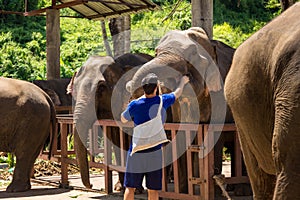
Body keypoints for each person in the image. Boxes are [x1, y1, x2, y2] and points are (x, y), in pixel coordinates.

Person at [121, 73, 189, 200]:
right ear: (157, 87)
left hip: (137, 151)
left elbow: (123, 119)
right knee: (153, 189)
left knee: (130, 187)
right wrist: (183, 82)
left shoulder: (135, 104)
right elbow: (177, 93)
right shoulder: (162, 101)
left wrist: (136, 101)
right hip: (155, 151)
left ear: (143, 88)